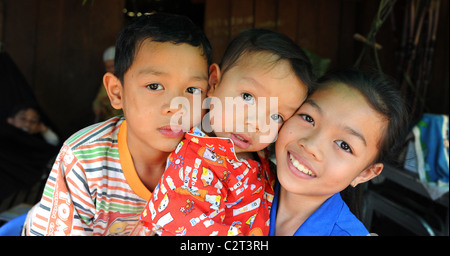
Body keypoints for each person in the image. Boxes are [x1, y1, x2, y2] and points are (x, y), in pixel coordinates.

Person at [21, 12, 212, 236]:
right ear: (116, 92)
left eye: (193, 90)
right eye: (154, 86)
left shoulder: (212, 162)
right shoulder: (83, 159)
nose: (176, 106)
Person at [140, 28, 316, 236]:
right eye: (248, 97)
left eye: (277, 117)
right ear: (214, 83)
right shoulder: (195, 165)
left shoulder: (262, 158)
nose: (256, 123)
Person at [270, 69, 409, 236]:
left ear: (365, 173)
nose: (312, 146)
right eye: (308, 118)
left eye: (344, 145)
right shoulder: (242, 178)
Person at [92, 46, 123, 122]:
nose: (111, 70)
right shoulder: (107, 81)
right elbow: (97, 101)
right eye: (108, 67)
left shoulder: (127, 80)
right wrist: (98, 107)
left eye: (112, 66)